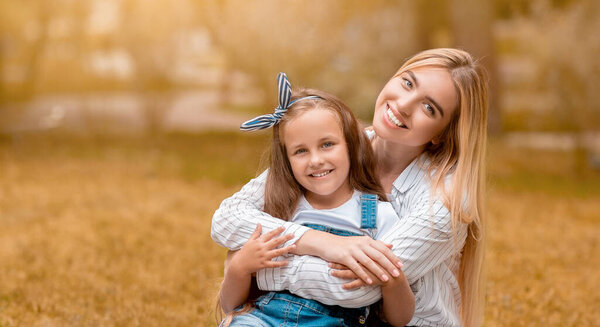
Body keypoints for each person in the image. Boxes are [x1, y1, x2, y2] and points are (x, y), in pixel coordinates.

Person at [212, 48, 488, 327]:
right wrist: (325, 243)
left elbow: (360, 288)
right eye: (407, 83)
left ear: (441, 134)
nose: (404, 104)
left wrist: (251, 266)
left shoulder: (447, 197)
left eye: (429, 108)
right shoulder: (336, 147)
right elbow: (227, 219)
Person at [217, 73, 415, 327]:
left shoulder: (376, 214)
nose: (315, 160)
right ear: (287, 160)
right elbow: (230, 305)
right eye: (301, 151)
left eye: (327, 144)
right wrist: (240, 268)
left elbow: (400, 319)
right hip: (267, 318)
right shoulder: (282, 210)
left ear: (351, 146)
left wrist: (394, 280)